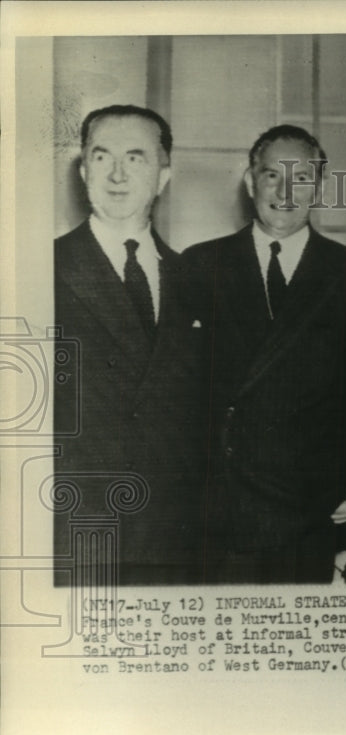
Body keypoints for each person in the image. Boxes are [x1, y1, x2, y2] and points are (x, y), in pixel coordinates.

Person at [183, 125, 346, 584]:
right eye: (272, 176)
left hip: (312, 508)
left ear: (320, 188)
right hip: (221, 510)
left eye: (302, 178)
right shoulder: (198, 266)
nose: (286, 192)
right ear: (250, 182)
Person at [53, 104, 206, 585]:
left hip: (174, 539)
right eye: (102, 158)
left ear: (164, 175)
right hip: (76, 534)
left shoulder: (196, 280)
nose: (118, 174)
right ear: (83, 172)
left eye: (136, 158)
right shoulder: (40, 267)